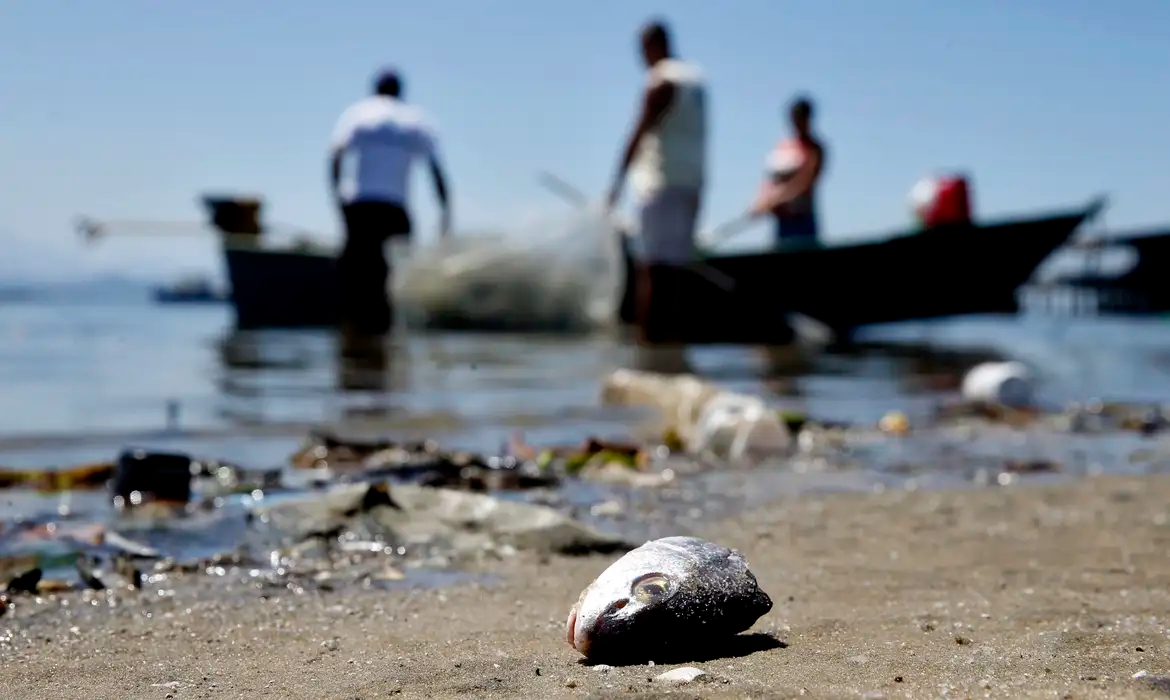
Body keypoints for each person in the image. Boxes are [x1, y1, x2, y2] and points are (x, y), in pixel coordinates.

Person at [328, 67, 451, 336]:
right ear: (400, 92)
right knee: (394, 276)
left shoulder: (359, 113)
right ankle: (387, 340)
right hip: (395, 208)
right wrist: (445, 210)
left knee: (356, 277)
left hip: (360, 205)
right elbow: (435, 169)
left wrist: (337, 198)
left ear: (375, 89)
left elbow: (335, 156)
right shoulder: (415, 120)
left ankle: (354, 336)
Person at [605, 19, 707, 342]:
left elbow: (640, 130)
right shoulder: (696, 79)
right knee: (674, 273)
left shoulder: (660, 81)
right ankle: (672, 351)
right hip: (692, 183)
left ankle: (648, 352)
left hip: (660, 184)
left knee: (651, 271)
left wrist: (617, 181)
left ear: (654, 46)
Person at [750, 95, 827, 246]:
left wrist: (778, 199)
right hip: (782, 223)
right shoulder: (784, 147)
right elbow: (770, 180)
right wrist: (762, 200)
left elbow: (806, 182)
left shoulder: (815, 149)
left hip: (803, 220)